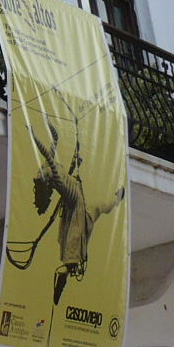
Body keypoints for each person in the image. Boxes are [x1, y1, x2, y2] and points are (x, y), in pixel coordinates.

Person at [31, 118, 125, 305]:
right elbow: (51, 150)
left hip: (77, 203)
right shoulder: (55, 178)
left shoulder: (55, 176)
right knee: (94, 212)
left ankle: (117, 198)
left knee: (97, 209)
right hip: (76, 204)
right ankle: (68, 267)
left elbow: (53, 144)